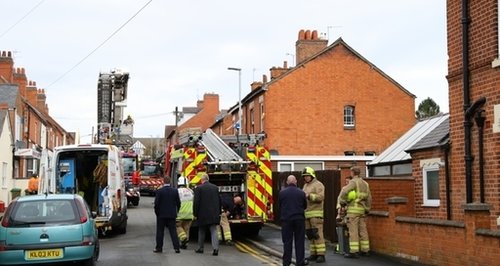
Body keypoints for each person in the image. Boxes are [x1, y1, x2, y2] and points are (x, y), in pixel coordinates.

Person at [338, 166, 372, 258]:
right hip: (362, 211)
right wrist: (367, 209)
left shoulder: (353, 182)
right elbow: (369, 198)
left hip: (353, 210)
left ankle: (354, 251)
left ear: (352, 173)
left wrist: (343, 201)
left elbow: (344, 191)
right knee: (363, 231)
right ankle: (365, 250)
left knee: (353, 231)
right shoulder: (365, 184)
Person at [279, 175, 307, 266]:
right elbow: (305, 206)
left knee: (287, 242)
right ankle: (300, 262)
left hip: (286, 220)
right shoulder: (301, 193)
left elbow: (280, 205)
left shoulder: (282, 193)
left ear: (287, 182)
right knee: (299, 241)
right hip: (299, 219)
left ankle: (286, 262)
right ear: (295, 182)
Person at [301, 166, 326, 263]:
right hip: (307, 214)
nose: (306, 178)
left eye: (307, 176)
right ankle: (313, 253)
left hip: (316, 214)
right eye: (305, 176)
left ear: (312, 176)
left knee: (317, 234)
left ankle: (321, 254)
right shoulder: (306, 186)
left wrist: (309, 196)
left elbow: (321, 197)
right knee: (310, 235)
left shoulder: (318, 185)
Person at [193, 173, 221, 256]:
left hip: (202, 213)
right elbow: (219, 200)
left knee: (201, 230)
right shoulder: (215, 188)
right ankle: (215, 248)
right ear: (208, 179)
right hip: (214, 213)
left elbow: (196, 202)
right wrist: (219, 212)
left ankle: (200, 248)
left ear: (202, 180)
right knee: (214, 230)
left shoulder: (199, 188)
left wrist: (195, 213)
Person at [153, 176, 181, 254]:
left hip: (161, 215)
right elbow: (178, 203)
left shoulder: (159, 191)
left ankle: (159, 248)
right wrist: (177, 212)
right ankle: (177, 248)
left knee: (160, 232)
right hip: (172, 214)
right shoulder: (175, 191)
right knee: (173, 231)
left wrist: (157, 213)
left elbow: (156, 204)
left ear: (163, 182)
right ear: (170, 182)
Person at [176, 176, 194, 249]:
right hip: (190, 214)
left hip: (180, 214)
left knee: (178, 226)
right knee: (187, 228)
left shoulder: (177, 191)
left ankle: (183, 238)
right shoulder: (191, 191)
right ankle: (184, 245)